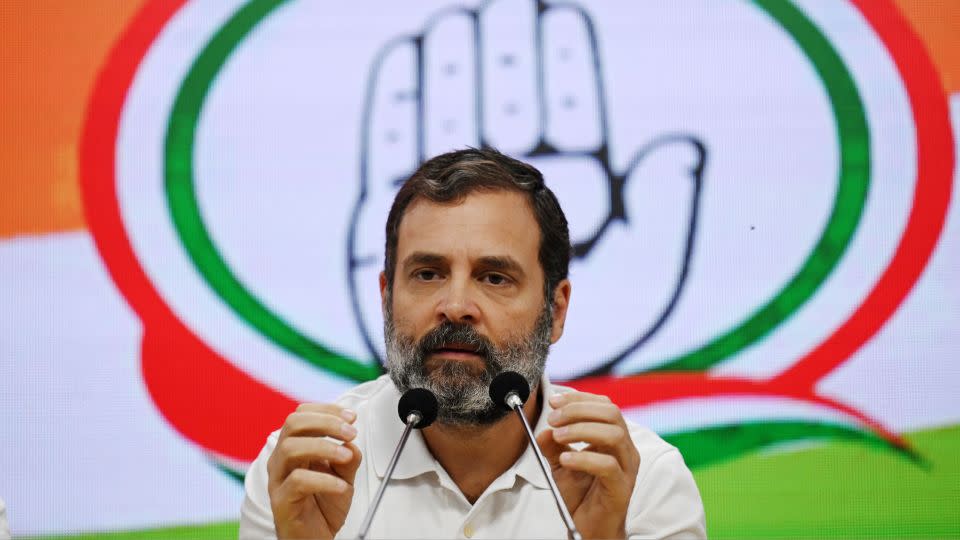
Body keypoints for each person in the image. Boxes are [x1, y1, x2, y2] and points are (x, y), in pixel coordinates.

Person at [239, 148, 706, 539]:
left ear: (556, 310)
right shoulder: (302, 473)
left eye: (495, 277)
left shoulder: (641, 481)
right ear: (385, 298)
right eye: (428, 273)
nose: (456, 305)